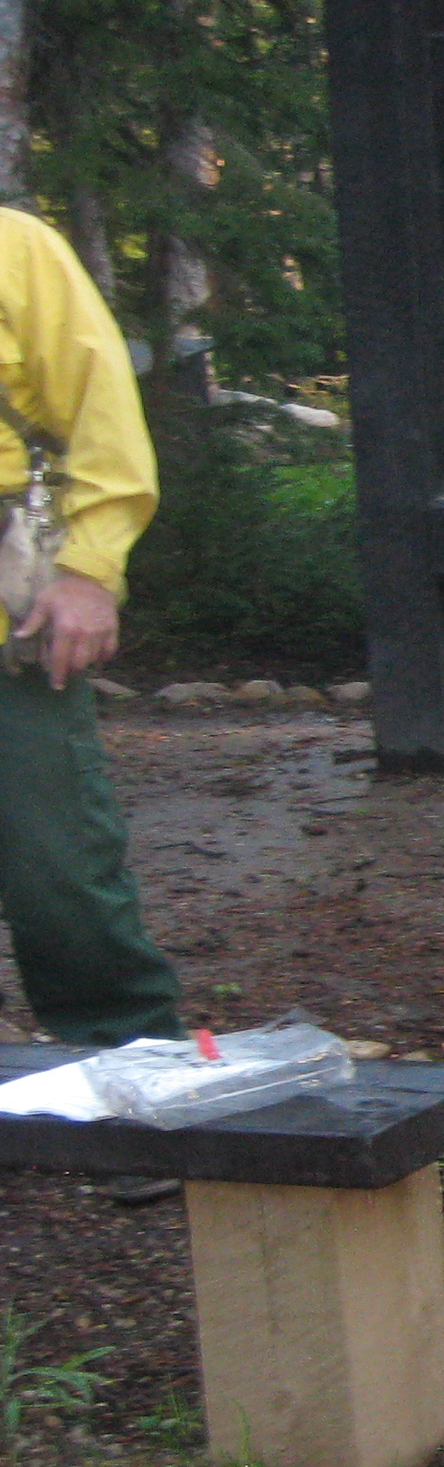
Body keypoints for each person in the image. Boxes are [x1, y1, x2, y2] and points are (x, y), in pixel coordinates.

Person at [0, 205, 183, 1049]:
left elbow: (101, 412)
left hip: (13, 614)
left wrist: (88, 572)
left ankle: (129, 1072)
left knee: (59, 873)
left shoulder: (17, 248)